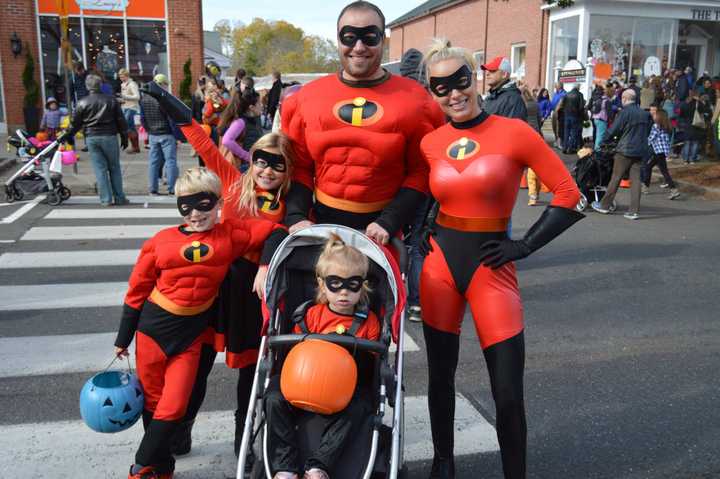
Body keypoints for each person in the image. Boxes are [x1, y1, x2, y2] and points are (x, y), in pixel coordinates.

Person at [420, 39, 583, 479]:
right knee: (439, 378)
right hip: (439, 265)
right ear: (431, 93)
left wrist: (525, 245)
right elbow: (432, 193)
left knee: (508, 392)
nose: (453, 93)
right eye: (441, 87)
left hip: (492, 268)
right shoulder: (431, 142)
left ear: (475, 79)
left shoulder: (514, 132)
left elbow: (569, 194)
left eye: (460, 81)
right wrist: (423, 225)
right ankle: (443, 463)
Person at [138, 80, 295, 463]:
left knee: (250, 374)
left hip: (257, 292)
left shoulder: (292, 202)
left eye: (277, 163)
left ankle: (244, 442)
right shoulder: (233, 183)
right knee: (198, 364)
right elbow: (201, 139)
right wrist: (162, 97)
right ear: (251, 159)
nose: (267, 170)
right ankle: (180, 427)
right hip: (218, 284)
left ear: (287, 169)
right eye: (261, 160)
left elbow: (282, 234)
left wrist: (263, 264)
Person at [114, 167, 284, 479]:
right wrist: (122, 338)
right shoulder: (159, 242)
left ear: (219, 203)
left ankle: (139, 466)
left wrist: (263, 264)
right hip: (153, 330)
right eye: (186, 206)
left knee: (175, 406)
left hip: (190, 336)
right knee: (153, 403)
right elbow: (136, 292)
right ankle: (160, 468)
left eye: (204, 204)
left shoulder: (231, 235)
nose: (195, 214)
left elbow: (276, 231)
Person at [281, 0, 445, 245]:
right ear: (337, 39)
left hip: (385, 230)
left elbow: (421, 170)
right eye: (349, 37)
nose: (358, 47)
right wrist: (296, 215)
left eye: (369, 36)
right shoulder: (307, 98)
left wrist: (390, 220)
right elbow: (299, 165)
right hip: (321, 224)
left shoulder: (415, 101)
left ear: (382, 39)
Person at [264, 234, 379, 479]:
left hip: (345, 390)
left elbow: (372, 364)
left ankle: (319, 466)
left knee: (360, 406)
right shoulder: (309, 315)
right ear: (322, 283)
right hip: (302, 384)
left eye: (353, 284)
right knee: (273, 397)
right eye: (335, 284)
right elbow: (292, 354)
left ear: (364, 285)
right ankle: (285, 465)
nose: (344, 293)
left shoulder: (369, 323)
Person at [61, 74, 129, 206]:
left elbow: (75, 124)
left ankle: (106, 199)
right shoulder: (111, 100)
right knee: (114, 167)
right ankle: (119, 198)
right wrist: (124, 137)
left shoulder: (82, 102)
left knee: (100, 169)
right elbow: (121, 120)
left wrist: (68, 136)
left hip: (91, 137)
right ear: (100, 85)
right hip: (109, 135)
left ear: (87, 86)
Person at [591, 89, 652, 220]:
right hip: (640, 150)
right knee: (636, 180)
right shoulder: (644, 114)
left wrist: (603, 142)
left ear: (624, 99)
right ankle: (634, 211)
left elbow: (613, 130)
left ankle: (604, 205)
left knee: (616, 177)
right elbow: (648, 130)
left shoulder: (625, 113)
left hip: (625, 150)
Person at [139, 74, 179, 196]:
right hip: (166, 133)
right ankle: (172, 189)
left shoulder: (144, 99)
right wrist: (176, 136)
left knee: (153, 162)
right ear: (161, 85)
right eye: (166, 85)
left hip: (153, 134)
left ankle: (153, 189)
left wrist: (149, 129)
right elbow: (171, 119)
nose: (167, 87)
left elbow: (142, 119)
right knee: (171, 161)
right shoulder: (163, 98)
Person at [642, 109, 680, 200]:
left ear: (659, 117)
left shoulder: (656, 126)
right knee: (653, 168)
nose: (653, 116)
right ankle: (646, 187)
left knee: (653, 168)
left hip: (658, 151)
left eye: (655, 115)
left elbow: (651, 138)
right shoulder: (666, 126)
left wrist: (644, 144)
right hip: (662, 151)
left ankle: (673, 189)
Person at [481, 56, 527, 121]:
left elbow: (513, 129)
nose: (487, 73)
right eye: (488, 70)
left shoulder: (513, 99)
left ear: (504, 74)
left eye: (492, 70)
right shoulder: (490, 96)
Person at [520, 85, 544, 207]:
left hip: (526, 135)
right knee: (536, 167)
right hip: (537, 134)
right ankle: (536, 192)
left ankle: (532, 195)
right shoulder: (534, 104)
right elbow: (539, 120)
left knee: (529, 168)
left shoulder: (522, 105)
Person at [678, 90, 711, 164]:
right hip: (696, 124)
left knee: (687, 142)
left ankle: (686, 160)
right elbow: (705, 110)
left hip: (687, 124)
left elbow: (681, 115)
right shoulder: (697, 103)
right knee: (695, 142)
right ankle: (692, 159)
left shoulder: (683, 104)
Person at [119, 68, 141, 154]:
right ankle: (135, 147)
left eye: (123, 76)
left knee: (129, 128)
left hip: (132, 108)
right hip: (125, 107)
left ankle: (135, 147)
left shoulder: (132, 84)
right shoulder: (123, 84)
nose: (121, 78)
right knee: (129, 128)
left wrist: (125, 97)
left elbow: (137, 97)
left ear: (127, 76)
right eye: (120, 77)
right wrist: (121, 99)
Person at [561, 83, 585, 154]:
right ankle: (570, 148)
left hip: (567, 115)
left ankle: (564, 147)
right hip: (575, 116)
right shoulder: (580, 95)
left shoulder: (567, 94)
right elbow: (581, 107)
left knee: (566, 133)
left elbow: (563, 104)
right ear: (578, 87)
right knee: (574, 132)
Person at [591, 85, 611, 151]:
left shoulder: (596, 99)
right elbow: (609, 112)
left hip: (595, 118)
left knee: (598, 134)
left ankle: (596, 148)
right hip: (602, 119)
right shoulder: (606, 100)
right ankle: (597, 150)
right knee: (600, 136)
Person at [549, 82, 566, 148]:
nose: (555, 86)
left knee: (558, 128)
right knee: (554, 127)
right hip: (554, 112)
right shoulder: (555, 93)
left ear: (560, 86)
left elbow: (562, 104)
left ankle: (560, 142)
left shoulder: (563, 94)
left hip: (560, 113)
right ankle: (556, 140)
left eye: (556, 85)